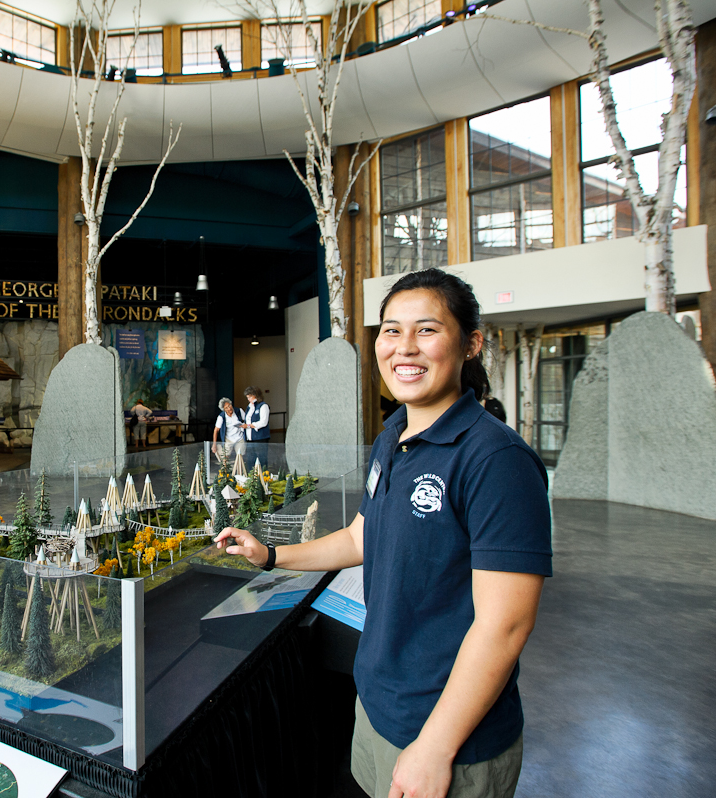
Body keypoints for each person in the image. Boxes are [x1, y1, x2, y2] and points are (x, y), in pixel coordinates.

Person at [215, 269, 551, 798]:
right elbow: (360, 539)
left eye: (427, 330)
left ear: (471, 344)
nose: (404, 348)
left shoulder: (496, 460)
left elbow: (505, 626)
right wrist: (273, 554)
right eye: (391, 331)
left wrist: (436, 748)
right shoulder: (394, 435)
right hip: (378, 704)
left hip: (449, 732)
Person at [240, 386, 270, 469]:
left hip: (260, 437)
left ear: (255, 395)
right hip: (250, 438)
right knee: (250, 459)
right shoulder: (249, 407)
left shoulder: (263, 406)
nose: (248, 399)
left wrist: (249, 426)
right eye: (247, 397)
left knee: (261, 459)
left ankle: (263, 477)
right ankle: (251, 478)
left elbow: (263, 422)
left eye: (250, 397)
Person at [211, 397, 246, 462]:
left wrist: (244, 425)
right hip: (229, 439)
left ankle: (239, 471)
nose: (229, 408)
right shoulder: (221, 417)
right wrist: (214, 444)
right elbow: (216, 430)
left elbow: (247, 421)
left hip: (239, 438)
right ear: (224, 410)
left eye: (229, 405)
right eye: (226, 408)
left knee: (240, 457)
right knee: (225, 458)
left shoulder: (239, 411)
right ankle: (225, 471)